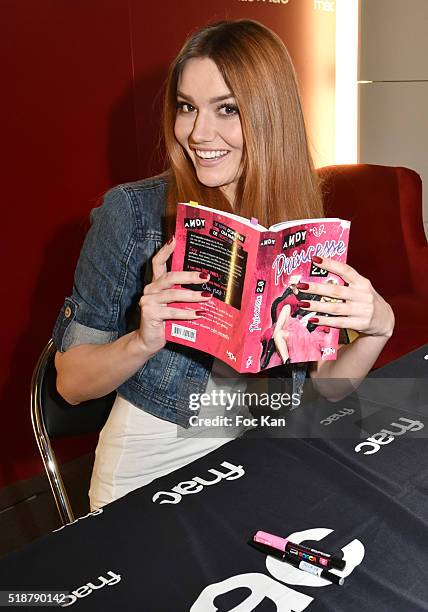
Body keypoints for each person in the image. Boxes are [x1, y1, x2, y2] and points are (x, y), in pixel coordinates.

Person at [52, 19, 395, 510]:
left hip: (266, 451)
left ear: (270, 115)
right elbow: (71, 383)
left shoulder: (300, 222)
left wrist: (379, 329)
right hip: (153, 463)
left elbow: (325, 390)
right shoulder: (131, 215)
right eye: (187, 107)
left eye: (227, 109)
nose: (197, 132)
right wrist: (144, 340)